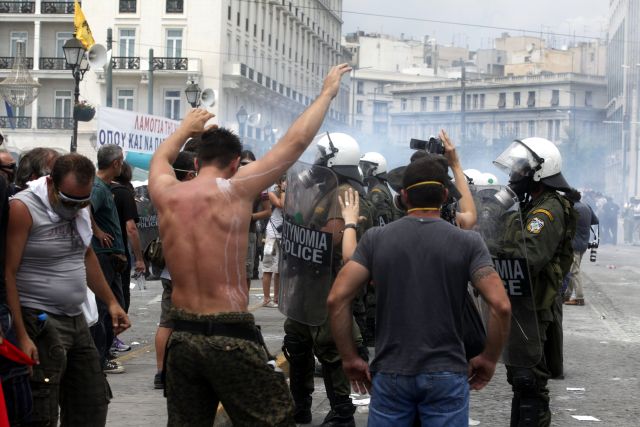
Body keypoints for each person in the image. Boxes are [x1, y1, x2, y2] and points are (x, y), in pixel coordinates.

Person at [148, 63, 351, 426]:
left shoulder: (166, 193)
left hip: (182, 338)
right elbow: (294, 143)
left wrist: (184, 128)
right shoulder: (236, 189)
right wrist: (327, 93)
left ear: (196, 161)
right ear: (233, 165)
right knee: (276, 418)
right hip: (228, 334)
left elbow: (160, 159)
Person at [327, 156, 512, 426]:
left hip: (391, 373)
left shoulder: (376, 239)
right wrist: (489, 358)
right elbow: (501, 306)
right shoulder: (468, 242)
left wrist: (349, 358)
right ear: (445, 195)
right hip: (446, 373)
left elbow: (336, 299)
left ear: (403, 195)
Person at [5, 153, 130, 425]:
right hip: (39, 318)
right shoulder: (23, 208)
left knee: (93, 399)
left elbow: (86, 256)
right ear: (50, 183)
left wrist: (111, 302)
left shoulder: (81, 207)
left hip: (77, 317)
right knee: (44, 405)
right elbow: (8, 273)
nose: (75, 207)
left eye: (82, 201)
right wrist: (22, 336)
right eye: (69, 200)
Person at [282, 131, 372, 426]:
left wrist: (301, 236)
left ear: (336, 158)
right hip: (306, 283)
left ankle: (342, 410)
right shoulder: (323, 190)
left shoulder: (343, 192)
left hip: (328, 282)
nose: (317, 159)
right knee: (296, 343)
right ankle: (301, 405)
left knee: (330, 347)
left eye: (323, 154)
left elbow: (332, 236)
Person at [493, 137, 576, 426]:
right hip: (524, 302)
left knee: (530, 381)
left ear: (538, 173)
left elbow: (529, 257)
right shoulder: (532, 204)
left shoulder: (547, 210)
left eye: (519, 170)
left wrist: (508, 221)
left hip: (536, 306)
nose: (513, 176)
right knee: (520, 379)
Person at [153, 151, 197, 390]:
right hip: (188, 274)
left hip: (169, 272)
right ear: (191, 174)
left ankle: (161, 372)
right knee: (189, 323)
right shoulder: (193, 200)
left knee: (167, 322)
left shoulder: (166, 197)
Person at [90, 144, 128, 374]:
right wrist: (97, 232)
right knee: (104, 307)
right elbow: (86, 208)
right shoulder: (98, 188)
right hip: (102, 256)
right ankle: (100, 359)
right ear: (115, 163)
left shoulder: (104, 187)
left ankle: (103, 354)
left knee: (115, 305)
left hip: (110, 256)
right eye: (121, 161)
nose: (122, 165)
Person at [110, 161, 145, 355]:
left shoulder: (99, 188)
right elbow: (131, 228)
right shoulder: (124, 193)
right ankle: (111, 338)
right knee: (120, 297)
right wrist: (139, 258)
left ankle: (108, 338)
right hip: (119, 254)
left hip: (101, 253)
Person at [241, 150, 271, 290]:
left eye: (249, 164)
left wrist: (251, 217)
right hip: (228, 231)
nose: (246, 167)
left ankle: (243, 306)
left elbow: (267, 211)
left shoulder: (261, 185)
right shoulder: (229, 179)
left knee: (246, 273)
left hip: (248, 232)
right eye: (243, 163)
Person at [564, 190, 599, 306]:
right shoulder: (586, 206)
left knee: (574, 271)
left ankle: (579, 298)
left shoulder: (573, 208)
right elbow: (596, 221)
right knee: (571, 269)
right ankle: (566, 295)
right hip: (584, 243)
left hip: (574, 244)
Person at [262, 175, 285, 307]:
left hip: (284, 234)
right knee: (268, 267)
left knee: (279, 269)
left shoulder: (290, 193)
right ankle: (266, 298)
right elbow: (280, 204)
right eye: (282, 180)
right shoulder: (271, 191)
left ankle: (277, 297)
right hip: (271, 234)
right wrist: (283, 190)